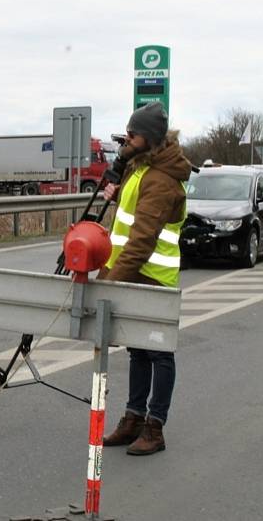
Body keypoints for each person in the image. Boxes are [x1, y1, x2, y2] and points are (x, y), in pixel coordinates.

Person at [99, 102, 191, 455]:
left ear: (148, 139)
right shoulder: (140, 168)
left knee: (158, 353)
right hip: (133, 273)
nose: (127, 138)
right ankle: (133, 418)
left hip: (153, 277)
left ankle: (155, 427)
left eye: (132, 133)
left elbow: (143, 238)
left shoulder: (162, 179)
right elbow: (130, 216)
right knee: (137, 351)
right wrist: (118, 192)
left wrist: (111, 283)